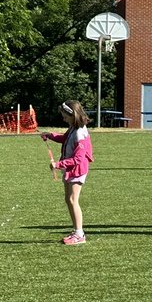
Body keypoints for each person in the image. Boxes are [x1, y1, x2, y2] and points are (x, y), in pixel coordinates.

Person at [41, 100, 94, 245]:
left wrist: (58, 164)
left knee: (72, 200)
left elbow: (78, 158)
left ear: (72, 114)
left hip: (77, 170)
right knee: (69, 200)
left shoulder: (79, 133)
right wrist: (50, 135)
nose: (63, 118)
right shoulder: (73, 128)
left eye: (65, 115)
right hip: (70, 169)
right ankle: (77, 231)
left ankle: (79, 234)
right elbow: (64, 139)